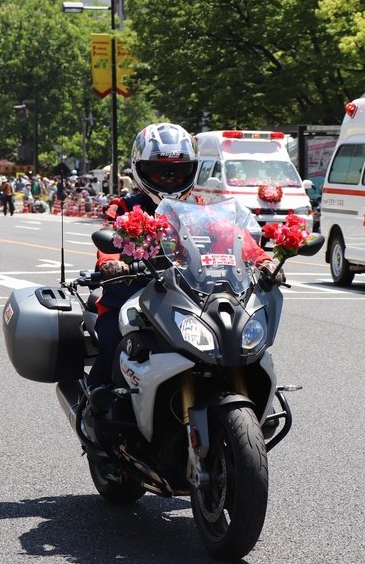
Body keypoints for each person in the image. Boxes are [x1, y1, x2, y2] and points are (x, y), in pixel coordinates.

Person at [90, 123, 279, 389]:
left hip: (189, 296)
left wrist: (263, 261)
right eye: (159, 170)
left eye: (178, 171)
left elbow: (236, 237)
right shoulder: (123, 207)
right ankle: (99, 407)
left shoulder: (201, 209)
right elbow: (108, 243)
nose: (169, 178)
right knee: (112, 342)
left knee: (236, 341)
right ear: (140, 168)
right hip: (130, 297)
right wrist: (114, 264)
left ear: (192, 169)